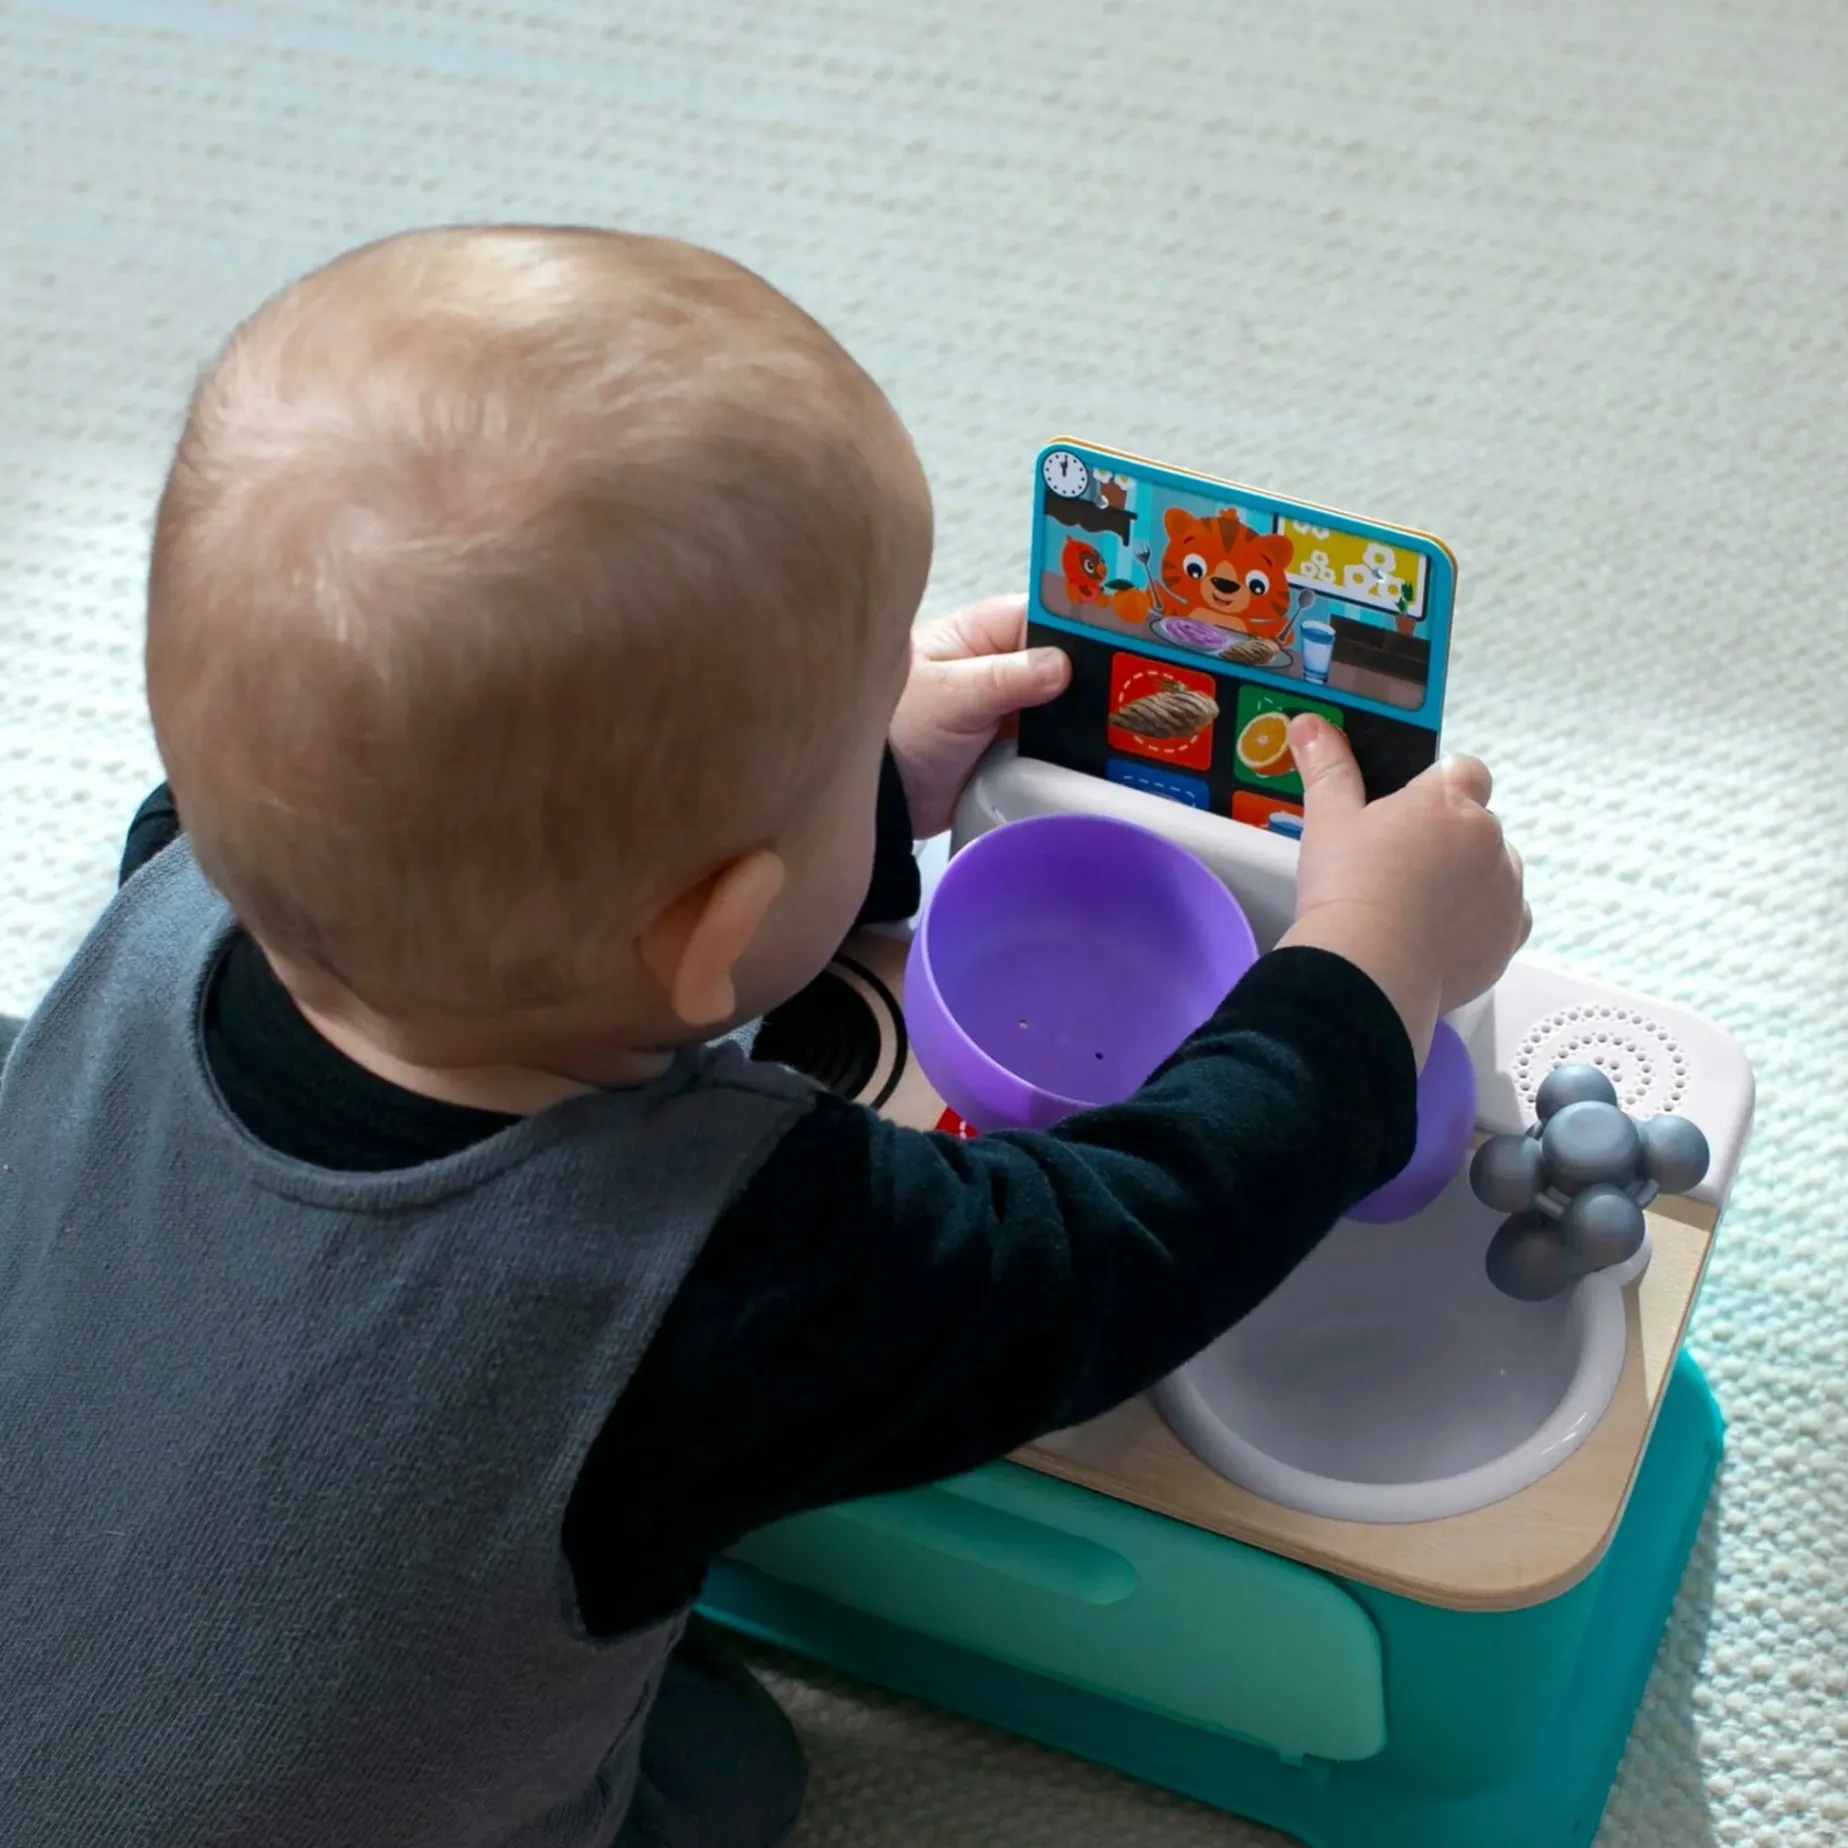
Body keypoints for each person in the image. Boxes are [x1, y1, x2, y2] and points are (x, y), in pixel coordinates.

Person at [0, 226, 1527, 1848]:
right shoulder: (713, 1273)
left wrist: (843, 790)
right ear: (717, 934)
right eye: (854, 731)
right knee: (736, 1775)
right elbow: (1118, 1252)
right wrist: (1367, 970)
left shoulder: (172, 883)